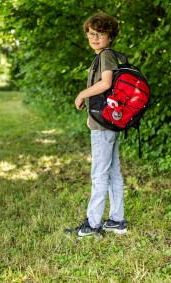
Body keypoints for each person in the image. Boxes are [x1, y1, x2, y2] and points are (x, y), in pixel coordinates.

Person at [64, 13, 127, 240]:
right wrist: (94, 114)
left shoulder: (106, 56)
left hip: (104, 125)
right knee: (112, 171)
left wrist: (82, 94)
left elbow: (106, 83)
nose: (95, 37)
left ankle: (92, 225)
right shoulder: (101, 56)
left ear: (110, 36)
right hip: (105, 120)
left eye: (100, 34)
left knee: (99, 174)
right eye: (91, 33)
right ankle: (117, 221)